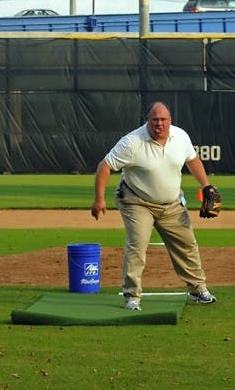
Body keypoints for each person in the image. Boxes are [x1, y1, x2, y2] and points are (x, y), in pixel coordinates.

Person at [91, 101, 217, 310]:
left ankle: (197, 290)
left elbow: (192, 160)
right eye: (155, 120)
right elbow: (104, 166)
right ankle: (132, 297)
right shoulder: (132, 142)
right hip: (136, 200)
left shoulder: (181, 137)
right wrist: (99, 199)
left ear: (170, 121)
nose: (159, 124)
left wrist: (206, 185)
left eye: (163, 120)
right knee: (138, 243)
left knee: (187, 244)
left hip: (172, 203)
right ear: (147, 121)